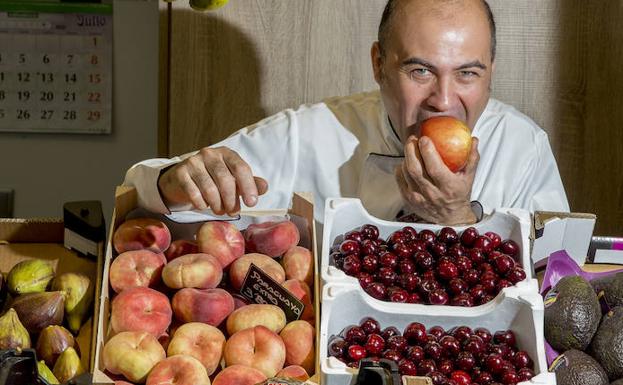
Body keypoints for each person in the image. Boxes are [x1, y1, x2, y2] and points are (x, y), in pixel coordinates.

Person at [123, 0, 569, 227]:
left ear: (491, 72)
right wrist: (173, 181)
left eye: (468, 73)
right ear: (378, 64)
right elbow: (138, 196)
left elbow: (557, 284)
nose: (444, 100)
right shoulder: (309, 134)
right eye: (420, 70)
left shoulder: (523, 148)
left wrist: (459, 221)